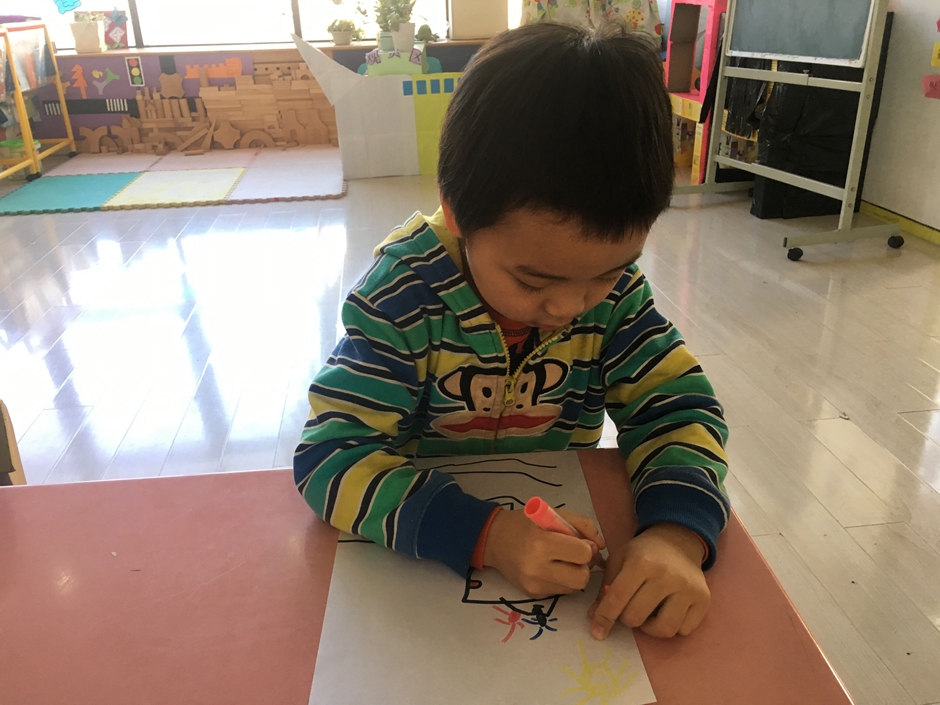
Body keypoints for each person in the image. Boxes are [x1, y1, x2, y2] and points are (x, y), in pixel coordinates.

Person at [294, 22, 730, 641]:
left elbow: (678, 411)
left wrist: (676, 535)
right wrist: (486, 535)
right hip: (417, 574)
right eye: (532, 280)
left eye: (608, 273)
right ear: (457, 213)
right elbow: (332, 456)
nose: (569, 307)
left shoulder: (618, 300)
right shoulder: (403, 298)